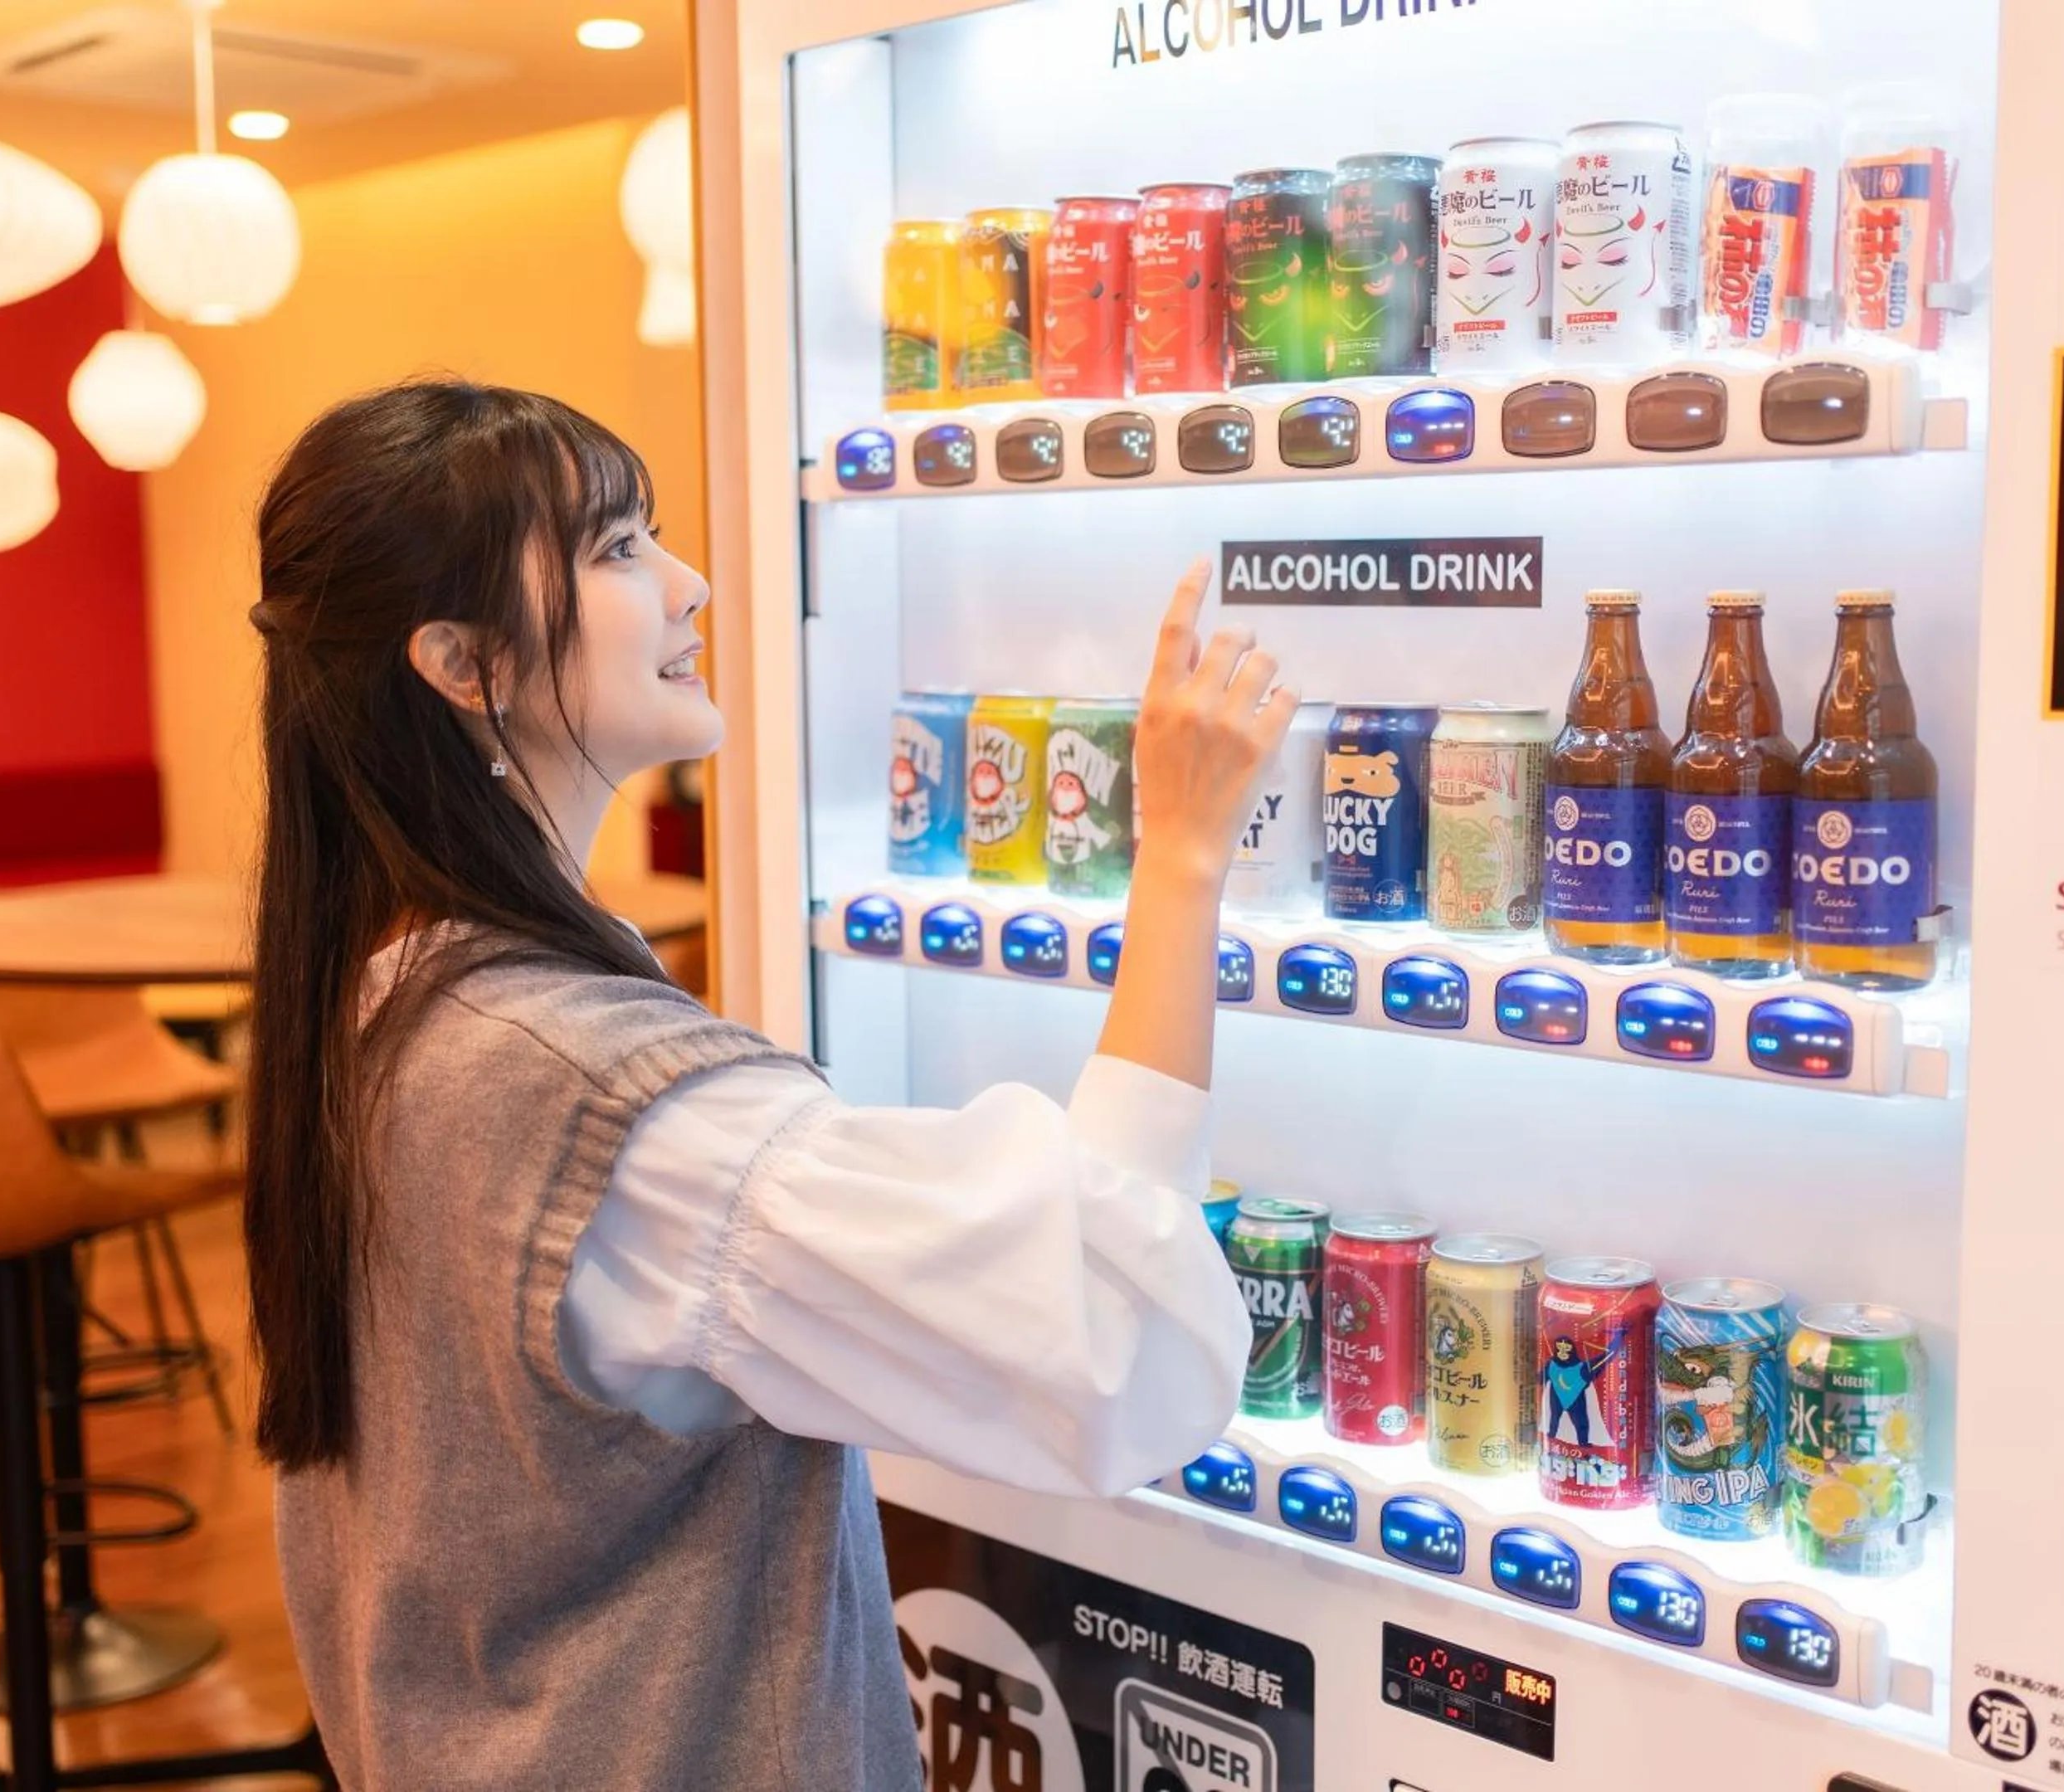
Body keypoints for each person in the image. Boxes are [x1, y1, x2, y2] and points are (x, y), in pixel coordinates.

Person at [241, 381, 1297, 1788]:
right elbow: (1112, 1343)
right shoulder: (617, 1109)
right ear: (462, 659)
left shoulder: (375, 996)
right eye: (619, 549)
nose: (696, 586)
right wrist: (1182, 855)